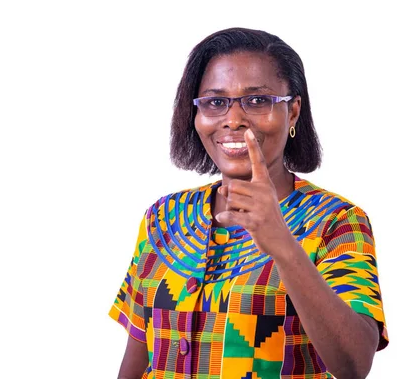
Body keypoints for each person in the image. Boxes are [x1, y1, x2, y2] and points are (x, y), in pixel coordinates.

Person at [109, 27, 389, 379]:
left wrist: (284, 247)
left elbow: (354, 364)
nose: (234, 119)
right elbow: (138, 351)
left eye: (258, 101)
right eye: (215, 101)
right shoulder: (164, 219)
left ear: (293, 112)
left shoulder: (337, 222)